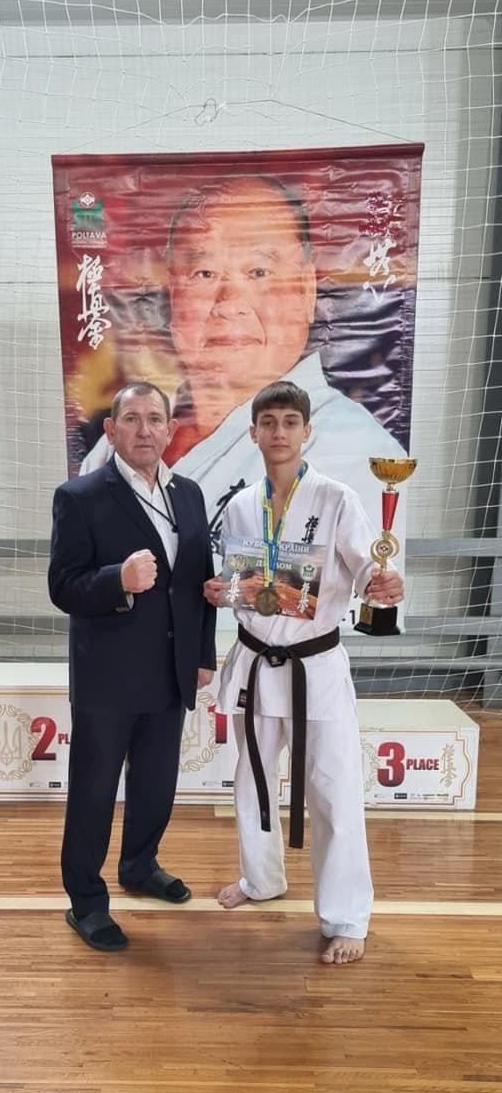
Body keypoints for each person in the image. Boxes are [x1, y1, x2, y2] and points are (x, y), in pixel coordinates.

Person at [80, 175, 408, 542]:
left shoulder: (354, 448)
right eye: (204, 273)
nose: (229, 302)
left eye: (258, 272)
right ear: (172, 293)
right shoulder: (119, 440)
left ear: (307, 290)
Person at [203, 379, 404, 966]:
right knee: (253, 783)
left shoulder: (337, 498)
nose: (279, 433)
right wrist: (219, 591)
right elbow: (241, 583)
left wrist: (383, 584)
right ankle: (261, 879)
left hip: (314, 666)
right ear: (253, 433)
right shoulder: (241, 505)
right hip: (253, 662)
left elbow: (368, 568)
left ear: (307, 431)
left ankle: (346, 917)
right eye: (269, 423)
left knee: (334, 792)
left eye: (290, 422)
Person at [49, 380, 216, 951]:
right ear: (111, 429)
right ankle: (85, 902)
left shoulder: (189, 493)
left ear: (170, 429)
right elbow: (62, 586)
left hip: (171, 669)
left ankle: (139, 866)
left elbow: (198, 582)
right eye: (132, 419)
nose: (145, 430)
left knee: (156, 784)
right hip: (108, 676)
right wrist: (116, 579)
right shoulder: (81, 496)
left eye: (155, 419)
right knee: (93, 792)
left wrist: (201, 654)